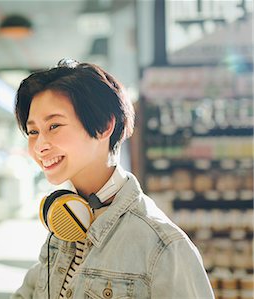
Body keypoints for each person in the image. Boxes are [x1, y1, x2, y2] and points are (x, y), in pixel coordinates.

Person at [11, 59, 214, 299]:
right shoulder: (65, 222)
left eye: (54, 126)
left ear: (105, 125)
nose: (40, 146)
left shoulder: (163, 246)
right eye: (33, 131)